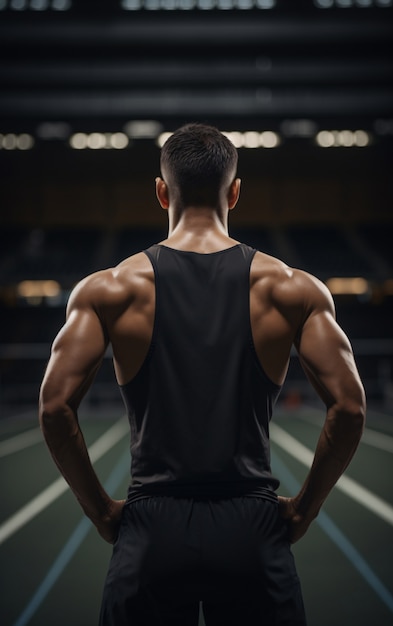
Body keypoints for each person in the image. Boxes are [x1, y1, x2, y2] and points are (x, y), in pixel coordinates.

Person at [39, 123, 366, 626]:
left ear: (160, 191)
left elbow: (54, 406)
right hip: (251, 527)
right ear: (235, 193)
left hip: (151, 527)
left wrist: (103, 512)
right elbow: (349, 406)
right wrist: (303, 510)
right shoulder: (292, 289)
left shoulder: (108, 290)